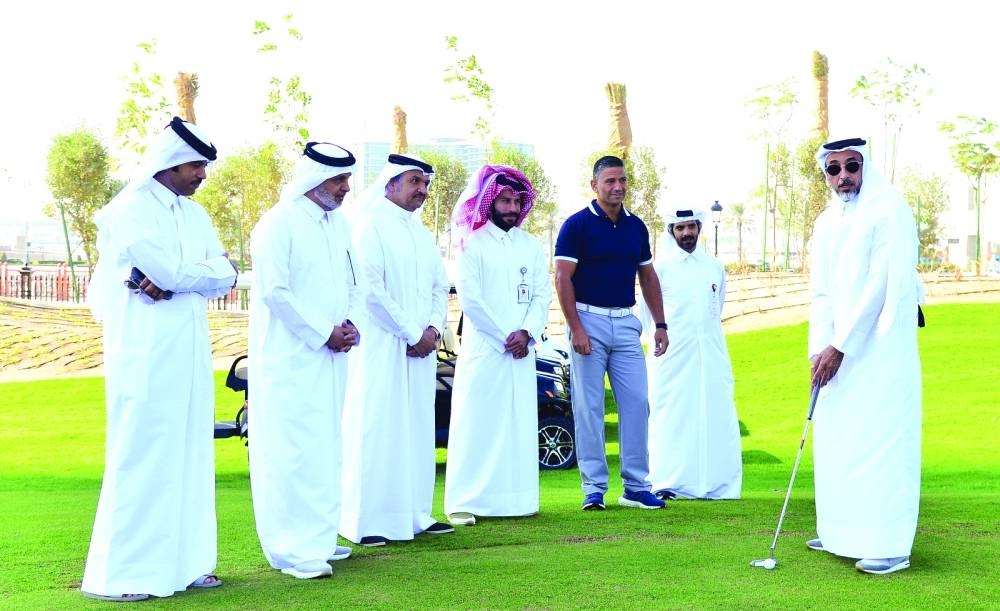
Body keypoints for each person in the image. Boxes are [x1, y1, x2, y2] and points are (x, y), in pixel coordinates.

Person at [82, 117, 236, 601]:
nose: (202, 175)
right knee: (142, 452)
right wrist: (198, 275)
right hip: (144, 351)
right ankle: (122, 575)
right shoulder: (129, 209)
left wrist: (189, 278)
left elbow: (227, 274)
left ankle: (188, 565)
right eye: (196, 166)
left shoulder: (195, 215)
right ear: (171, 162)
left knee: (190, 452)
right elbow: (172, 272)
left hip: (189, 349)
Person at [807, 137, 922, 575]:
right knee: (839, 441)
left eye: (851, 166)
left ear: (865, 166)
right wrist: (819, 349)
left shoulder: (889, 210)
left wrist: (842, 346)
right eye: (834, 169)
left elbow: (881, 285)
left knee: (881, 442)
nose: (843, 176)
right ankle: (841, 532)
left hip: (879, 352)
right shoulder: (826, 221)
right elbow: (820, 292)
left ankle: (889, 546)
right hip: (835, 351)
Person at [247, 142, 362, 580]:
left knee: (325, 448)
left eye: (347, 179)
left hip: (333, 357)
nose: (346, 187)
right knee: (291, 452)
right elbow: (274, 293)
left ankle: (318, 538)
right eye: (339, 179)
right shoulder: (278, 223)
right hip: (291, 358)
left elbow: (353, 283)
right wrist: (323, 332)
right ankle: (292, 551)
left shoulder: (339, 225)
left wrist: (349, 324)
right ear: (315, 179)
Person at [338, 154, 453, 546]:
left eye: (425, 183)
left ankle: (417, 515)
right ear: (390, 185)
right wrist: (411, 333)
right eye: (414, 182)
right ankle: (367, 521)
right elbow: (371, 292)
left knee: (417, 430)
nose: (422, 190)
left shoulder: (420, 233)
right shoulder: (369, 226)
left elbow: (440, 286)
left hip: (420, 349)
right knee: (377, 429)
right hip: (383, 347)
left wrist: (432, 329)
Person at [553, 155, 670, 511]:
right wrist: (576, 329)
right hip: (587, 321)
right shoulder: (576, 225)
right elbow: (562, 278)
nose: (618, 187)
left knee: (636, 403)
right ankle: (594, 488)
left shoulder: (636, 227)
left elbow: (647, 276)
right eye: (610, 181)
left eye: (622, 180)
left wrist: (660, 324)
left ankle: (635, 486)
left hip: (626, 323)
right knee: (588, 408)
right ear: (595, 185)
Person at [443, 165, 552, 526]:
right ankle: (465, 501)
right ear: (490, 202)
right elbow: (471, 300)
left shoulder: (530, 246)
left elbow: (541, 295)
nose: (511, 208)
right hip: (486, 351)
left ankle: (516, 500)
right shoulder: (472, 244)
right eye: (504, 201)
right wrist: (507, 336)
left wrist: (527, 333)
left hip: (521, 352)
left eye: (516, 201)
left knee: (517, 424)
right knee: (477, 423)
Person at [639, 209, 742, 500]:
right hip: (671, 356)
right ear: (671, 231)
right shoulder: (659, 269)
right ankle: (667, 482)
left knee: (713, 413)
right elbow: (647, 315)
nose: (686, 233)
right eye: (680, 228)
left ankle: (715, 484)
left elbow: (716, 307)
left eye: (691, 227)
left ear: (699, 228)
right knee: (670, 416)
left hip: (709, 354)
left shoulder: (714, 267)